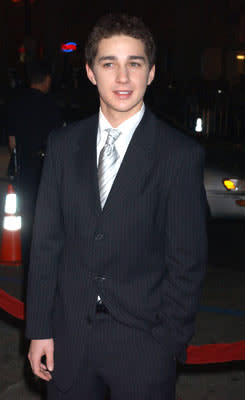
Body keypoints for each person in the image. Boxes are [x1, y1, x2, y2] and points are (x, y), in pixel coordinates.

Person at [26, 14, 207, 400]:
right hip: (68, 336)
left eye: (134, 64)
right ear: (91, 72)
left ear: (152, 72)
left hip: (144, 344)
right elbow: (45, 244)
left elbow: (187, 260)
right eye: (110, 64)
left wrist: (167, 344)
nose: (122, 78)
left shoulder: (179, 155)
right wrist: (40, 328)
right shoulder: (62, 145)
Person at [7, 61, 62, 267]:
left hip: (24, 164)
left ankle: (25, 251)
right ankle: (44, 255)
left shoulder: (16, 103)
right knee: (47, 213)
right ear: (47, 80)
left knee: (26, 212)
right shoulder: (50, 105)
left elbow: (12, 141)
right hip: (45, 165)